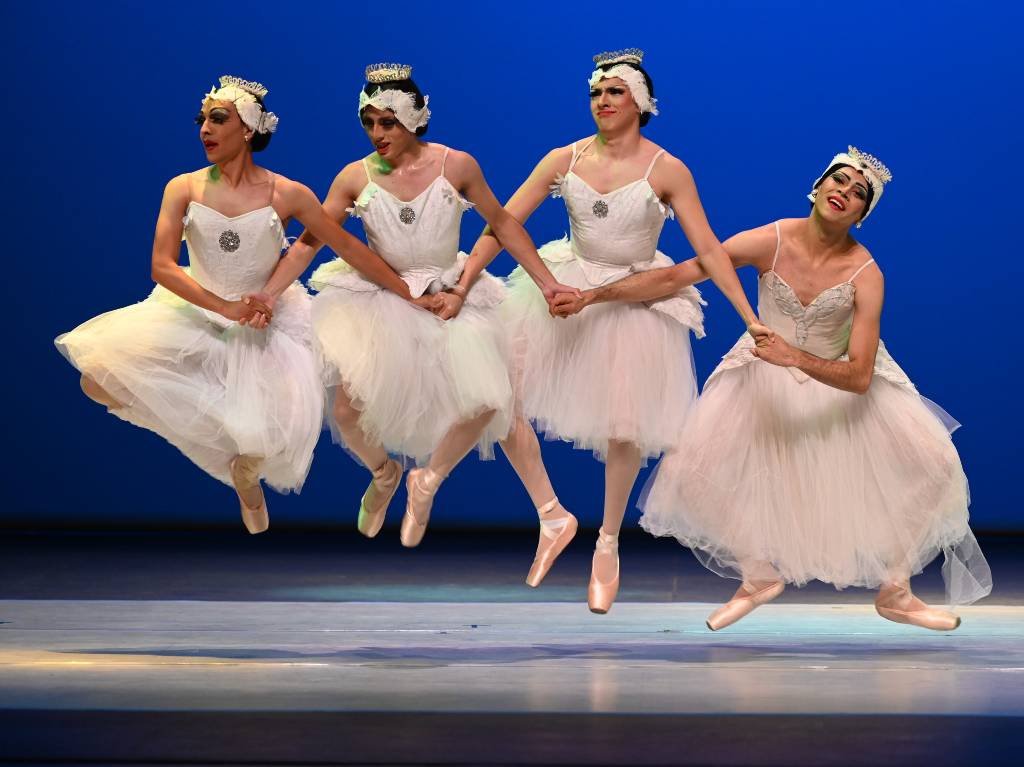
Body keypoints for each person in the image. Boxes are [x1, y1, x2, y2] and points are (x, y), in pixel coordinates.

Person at [552, 146, 992, 630]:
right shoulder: (772, 239)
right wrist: (594, 296)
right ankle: (757, 575)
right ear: (817, 187)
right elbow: (680, 274)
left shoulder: (866, 274)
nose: (844, 191)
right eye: (838, 180)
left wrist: (794, 357)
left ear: (863, 214)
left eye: (858, 192)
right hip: (762, 378)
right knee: (692, 470)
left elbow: (861, 376)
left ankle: (896, 589)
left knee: (935, 466)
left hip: (839, 384)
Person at [56, 75, 424, 533]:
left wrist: (407, 290)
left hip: (268, 322)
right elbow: (162, 267)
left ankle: (321, 476)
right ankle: (237, 465)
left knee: (296, 426)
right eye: (202, 119)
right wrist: (223, 307)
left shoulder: (286, 193)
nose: (204, 129)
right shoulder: (183, 188)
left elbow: (348, 247)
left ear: (247, 129)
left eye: (218, 118)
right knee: (99, 382)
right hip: (198, 310)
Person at [468, 49, 767, 613]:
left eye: (615, 93)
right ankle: (552, 514)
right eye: (596, 93)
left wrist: (749, 318)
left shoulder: (667, 169)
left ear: (641, 103)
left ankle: (607, 543)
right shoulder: (564, 157)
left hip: (634, 299)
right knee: (494, 392)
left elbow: (708, 248)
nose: (602, 102)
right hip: (564, 285)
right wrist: (463, 282)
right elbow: (504, 222)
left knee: (624, 428)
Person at [248, 63, 575, 546]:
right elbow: (308, 243)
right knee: (346, 415)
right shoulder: (353, 178)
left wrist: (547, 284)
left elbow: (503, 225)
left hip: (446, 291)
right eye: (370, 123)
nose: (377, 134)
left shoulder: (456, 165)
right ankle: (384, 475)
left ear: (414, 119)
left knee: (490, 398)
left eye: (388, 123)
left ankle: (433, 479)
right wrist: (269, 294)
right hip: (381, 296)